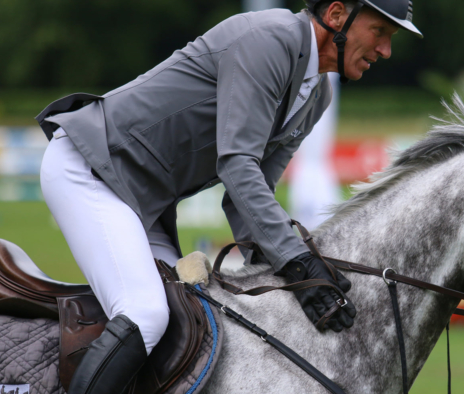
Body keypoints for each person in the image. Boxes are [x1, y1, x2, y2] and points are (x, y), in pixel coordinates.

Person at [35, 1, 421, 393]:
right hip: (89, 168)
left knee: (196, 318)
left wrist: (285, 273)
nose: (386, 50)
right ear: (337, 15)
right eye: (380, 32)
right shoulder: (270, 39)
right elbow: (237, 166)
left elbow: (246, 196)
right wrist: (298, 262)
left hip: (141, 203)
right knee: (146, 313)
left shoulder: (316, 96)